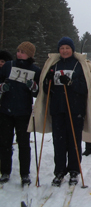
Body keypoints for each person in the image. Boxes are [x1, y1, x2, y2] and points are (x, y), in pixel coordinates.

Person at [28, 37, 91, 186]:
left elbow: (86, 87)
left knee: (74, 141)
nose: (65, 50)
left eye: (67, 48)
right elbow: (46, 90)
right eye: (62, 48)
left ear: (72, 49)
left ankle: (74, 170)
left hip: (75, 108)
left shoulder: (80, 65)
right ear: (59, 50)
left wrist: (71, 83)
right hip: (57, 108)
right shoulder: (53, 64)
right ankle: (59, 171)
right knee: (59, 142)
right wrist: (47, 81)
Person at [0, 42, 41, 185]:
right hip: (6, 110)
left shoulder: (35, 69)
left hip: (23, 112)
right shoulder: (8, 66)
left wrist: (34, 87)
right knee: (5, 142)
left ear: (30, 55)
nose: (19, 53)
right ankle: (5, 171)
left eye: (23, 51)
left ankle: (25, 174)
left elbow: (39, 91)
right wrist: (1, 87)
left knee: (23, 144)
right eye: (18, 50)